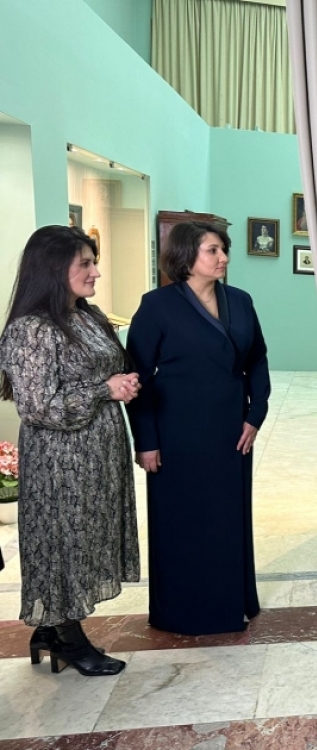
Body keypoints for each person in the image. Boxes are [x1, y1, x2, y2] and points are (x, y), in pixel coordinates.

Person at [0, 225, 141, 676]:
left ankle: (50, 627)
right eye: (86, 263)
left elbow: (106, 369)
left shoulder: (85, 315)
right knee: (65, 544)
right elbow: (38, 407)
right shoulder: (31, 330)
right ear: (53, 268)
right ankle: (67, 637)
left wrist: (122, 382)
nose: (96, 272)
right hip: (61, 464)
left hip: (96, 458)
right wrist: (104, 389)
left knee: (85, 540)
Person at [126, 221, 270, 635]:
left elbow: (257, 359)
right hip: (177, 434)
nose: (223, 257)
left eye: (224, 249)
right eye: (213, 250)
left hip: (231, 431)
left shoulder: (240, 301)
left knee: (227, 518)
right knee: (182, 522)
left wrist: (255, 414)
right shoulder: (156, 305)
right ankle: (182, 611)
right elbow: (138, 377)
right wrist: (146, 441)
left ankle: (232, 603)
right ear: (186, 256)